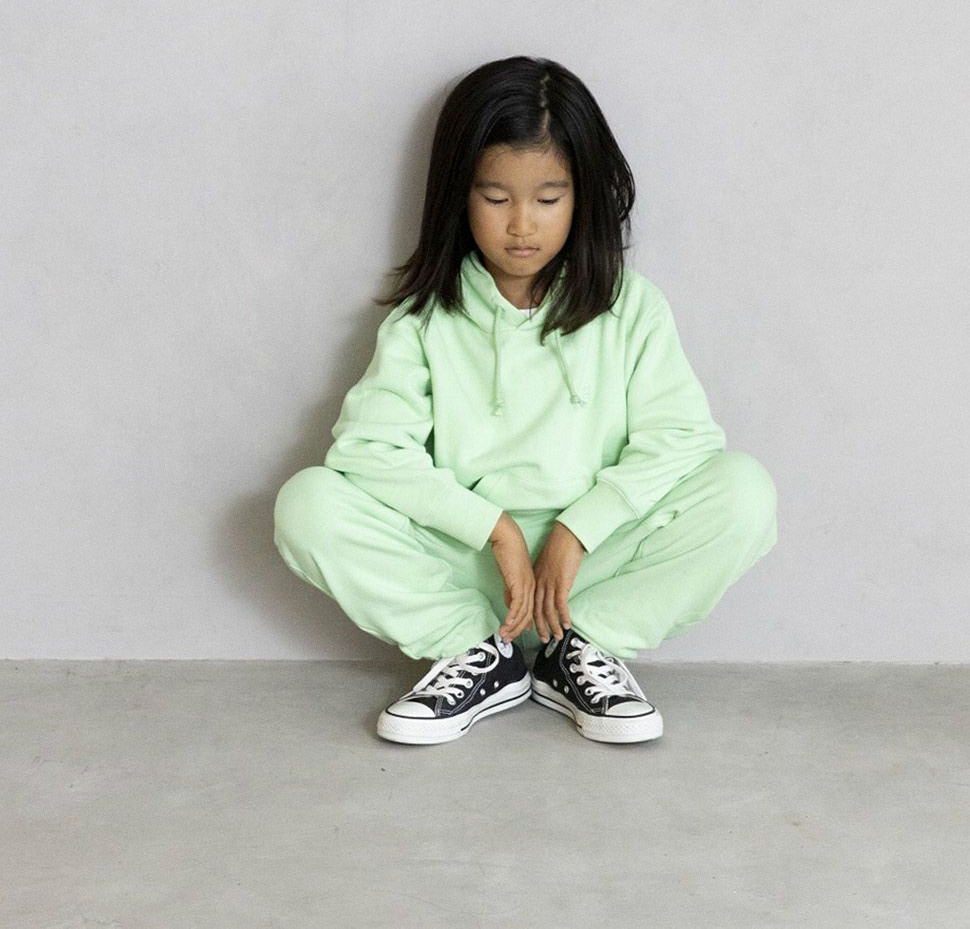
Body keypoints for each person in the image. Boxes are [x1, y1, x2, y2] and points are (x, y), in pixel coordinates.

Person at [273, 56, 778, 746]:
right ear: (459, 195)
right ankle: (477, 653)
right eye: (495, 197)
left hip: (590, 570)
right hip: (469, 571)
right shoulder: (424, 321)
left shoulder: (632, 307)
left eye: (547, 199)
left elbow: (683, 440)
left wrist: (576, 532)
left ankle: (582, 649)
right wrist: (496, 532)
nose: (521, 225)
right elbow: (368, 450)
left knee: (745, 491)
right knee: (307, 503)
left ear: (582, 197)